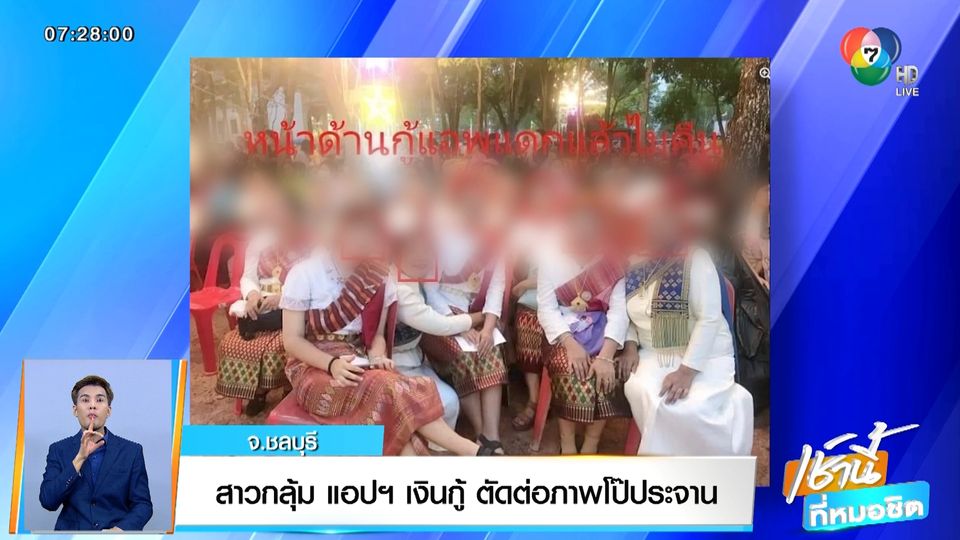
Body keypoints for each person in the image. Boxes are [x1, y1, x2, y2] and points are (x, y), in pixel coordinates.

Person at [280, 177, 491, 456]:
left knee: (394, 399)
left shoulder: (378, 276)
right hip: (314, 370)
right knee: (392, 388)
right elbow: (292, 341)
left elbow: (377, 336)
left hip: (359, 362)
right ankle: (474, 453)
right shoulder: (304, 274)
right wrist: (332, 365)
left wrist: (378, 356)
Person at [619, 175, 754, 456]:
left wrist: (686, 371)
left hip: (704, 357)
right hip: (652, 354)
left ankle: (704, 472)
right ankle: (663, 470)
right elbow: (627, 312)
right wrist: (630, 345)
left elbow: (709, 319)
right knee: (650, 395)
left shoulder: (695, 257)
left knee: (689, 407)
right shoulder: (632, 260)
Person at [420, 162, 509, 454]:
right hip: (443, 314)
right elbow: (430, 289)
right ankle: (482, 432)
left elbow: (496, 287)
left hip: (478, 312)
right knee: (465, 356)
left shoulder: (494, 237)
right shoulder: (439, 233)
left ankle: (492, 436)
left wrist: (488, 328)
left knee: (490, 349)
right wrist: (458, 323)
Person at [537, 196, 631, 454]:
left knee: (608, 372)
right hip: (563, 332)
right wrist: (570, 345)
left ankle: (591, 443)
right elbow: (546, 309)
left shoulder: (613, 260)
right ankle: (567, 442)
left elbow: (619, 312)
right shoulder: (550, 256)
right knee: (568, 368)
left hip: (604, 331)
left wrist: (606, 356)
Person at [216, 170, 307, 414]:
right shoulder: (260, 240)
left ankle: (288, 389)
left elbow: (312, 284)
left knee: (281, 343)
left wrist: (283, 297)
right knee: (232, 344)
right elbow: (247, 276)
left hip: (292, 308)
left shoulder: (306, 241)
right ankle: (258, 391)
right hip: (263, 305)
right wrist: (253, 295)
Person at [393, 235, 485, 429]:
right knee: (446, 403)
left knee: (449, 402)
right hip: (396, 367)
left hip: (416, 360)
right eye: (413, 250)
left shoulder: (416, 278)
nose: (421, 257)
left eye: (426, 250)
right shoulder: (398, 287)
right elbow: (440, 324)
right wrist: (482, 317)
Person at [39, 376, 152, 531]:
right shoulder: (58, 450)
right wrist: (80, 458)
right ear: (75, 410)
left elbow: (143, 505)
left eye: (99, 400)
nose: (92, 405)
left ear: (108, 411)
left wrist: (120, 530)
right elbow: (48, 501)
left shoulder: (131, 451)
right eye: (85, 400)